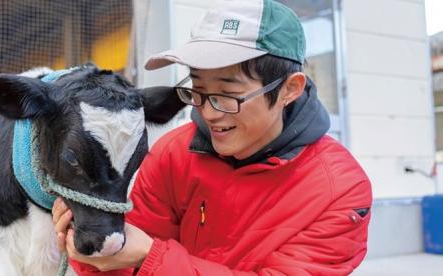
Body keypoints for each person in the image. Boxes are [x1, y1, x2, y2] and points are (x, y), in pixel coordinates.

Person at [52, 0, 372, 275]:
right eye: (199, 91)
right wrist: (92, 249)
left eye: (227, 94)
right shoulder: (174, 154)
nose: (209, 113)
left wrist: (151, 256)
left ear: (290, 89)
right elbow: (123, 262)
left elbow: (143, 255)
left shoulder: (339, 191)